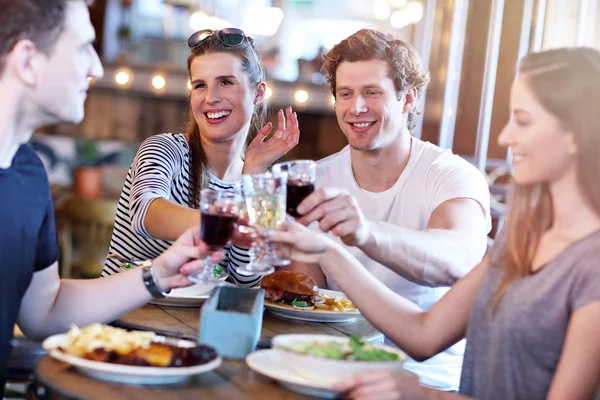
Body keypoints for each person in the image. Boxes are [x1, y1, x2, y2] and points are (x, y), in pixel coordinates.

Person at [272, 47, 600, 400]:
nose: (504, 137)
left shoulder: (591, 264)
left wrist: (425, 395)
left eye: (522, 120)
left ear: (573, 132)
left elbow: (455, 261)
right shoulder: (525, 237)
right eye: (346, 94)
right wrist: (328, 249)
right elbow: (424, 335)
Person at [0, 0, 221, 389]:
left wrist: (158, 274)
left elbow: (44, 312)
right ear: (28, 60)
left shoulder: (29, 174)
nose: (96, 68)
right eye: (84, 47)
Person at [287, 29, 490, 390]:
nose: (356, 108)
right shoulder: (315, 179)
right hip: (333, 371)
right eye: (345, 94)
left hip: (426, 383)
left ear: (408, 97)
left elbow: (457, 260)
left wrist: (365, 232)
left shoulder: (451, 175)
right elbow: (305, 301)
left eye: (372, 92)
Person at [101, 28, 299, 287]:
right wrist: (233, 224)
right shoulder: (164, 148)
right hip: (127, 315)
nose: (211, 98)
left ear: (259, 93)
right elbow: (144, 213)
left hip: (199, 325)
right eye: (200, 85)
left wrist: (253, 174)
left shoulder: (258, 180)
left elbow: (244, 281)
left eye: (225, 82)